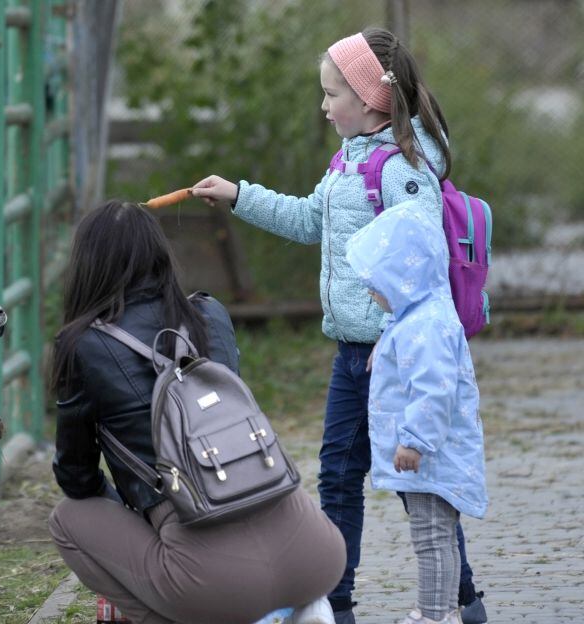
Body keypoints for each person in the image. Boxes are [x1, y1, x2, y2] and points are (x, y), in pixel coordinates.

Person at [190, 28, 487, 624]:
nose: (324, 107)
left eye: (331, 95)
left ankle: (460, 602)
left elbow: (422, 259)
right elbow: (308, 221)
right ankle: (338, 603)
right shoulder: (350, 156)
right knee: (339, 477)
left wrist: (393, 336)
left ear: (370, 98)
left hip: (391, 356)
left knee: (420, 487)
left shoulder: (403, 167)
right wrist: (239, 195)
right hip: (352, 354)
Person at [47, 200, 345, 624]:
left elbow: (76, 478)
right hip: (315, 555)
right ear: (160, 253)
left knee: (68, 519)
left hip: (212, 582)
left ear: (87, 266)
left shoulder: (83, 345)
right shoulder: (208, 312)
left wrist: (137, 508)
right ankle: (298, 609)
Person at [344, 202, 487, 624]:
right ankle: (436, 609)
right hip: (429, 456)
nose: (372, 292)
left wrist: (414, 442)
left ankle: (435, 613)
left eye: (377, 283)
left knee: (433, 538)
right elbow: (406, 354)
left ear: (405, 278)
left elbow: (433, 391)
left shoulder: (427, 327)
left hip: (431, 455)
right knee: (432, 536)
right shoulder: (417, 315)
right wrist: (382, 350)